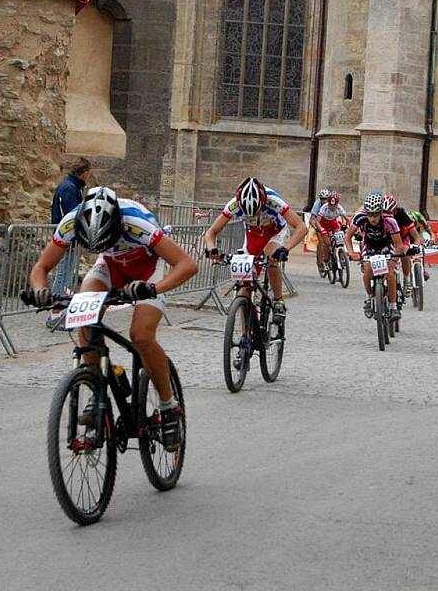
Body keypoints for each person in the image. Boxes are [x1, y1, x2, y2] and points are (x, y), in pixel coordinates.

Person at [23, 187, 198, 452]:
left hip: (148, 269)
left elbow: (187, 265)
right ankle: (98, 385)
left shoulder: (137, 222)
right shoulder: (71, 221)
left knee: (141, 335)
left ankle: (168, 406)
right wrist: (39, 291)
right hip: (110, 266)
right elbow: (41, 268)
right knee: (84, 314)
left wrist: (153, 289)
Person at [204, 177, 307, 322]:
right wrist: (212, 249)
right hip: (253, 234)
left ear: (263, 203)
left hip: (275, 231)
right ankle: (246, 332)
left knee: (271, 255)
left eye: (257, 211)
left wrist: (285, 248)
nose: (255, 215)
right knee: (244, 285)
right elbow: (211, 232)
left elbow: (302, 228)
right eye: (249, 213)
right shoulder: (234, 205)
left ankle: (278, 300)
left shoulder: (273, 200)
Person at [345, 194, 407, 321]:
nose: (373, 219)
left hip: (386, 245)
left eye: (376, 215)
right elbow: (348, 237)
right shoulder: (360, 218)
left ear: (381, 213)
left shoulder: (390, 221)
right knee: (367, 270)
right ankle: (369, 298)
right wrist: (351, 252)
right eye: (370, 215)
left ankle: (393, 306)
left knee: (390, 274)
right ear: (366, 213)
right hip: (369, 245)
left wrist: (393, 261)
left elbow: (399, 245)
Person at [47, 158, 91, 327]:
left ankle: (60, 312)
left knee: (65, 274)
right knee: (63, 274)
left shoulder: (71, 187)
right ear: (84, 172)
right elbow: (71, 216)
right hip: (67, 238)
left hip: (68, 237)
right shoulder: (70, 189)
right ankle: (55, 313)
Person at [382, 194, 420, 297]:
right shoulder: (378, 216)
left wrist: (415, 247)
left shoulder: (401, 214)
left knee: (405, 254)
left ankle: (407, 280)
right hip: (388, 240)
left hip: (403, 238)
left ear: (395, 210)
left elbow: (416, 236)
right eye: (384, 213)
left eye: (390, 213)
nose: (387, 216)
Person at [309, 188, 332, 274]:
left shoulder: (332, 202)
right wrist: (316, 228)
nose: (324, 201)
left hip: (329, 221)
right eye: (322, 199)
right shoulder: (317, 204)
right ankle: (321, 261)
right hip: (319, 223)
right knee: (322, 241)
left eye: (326, 199)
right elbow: (312, 219)